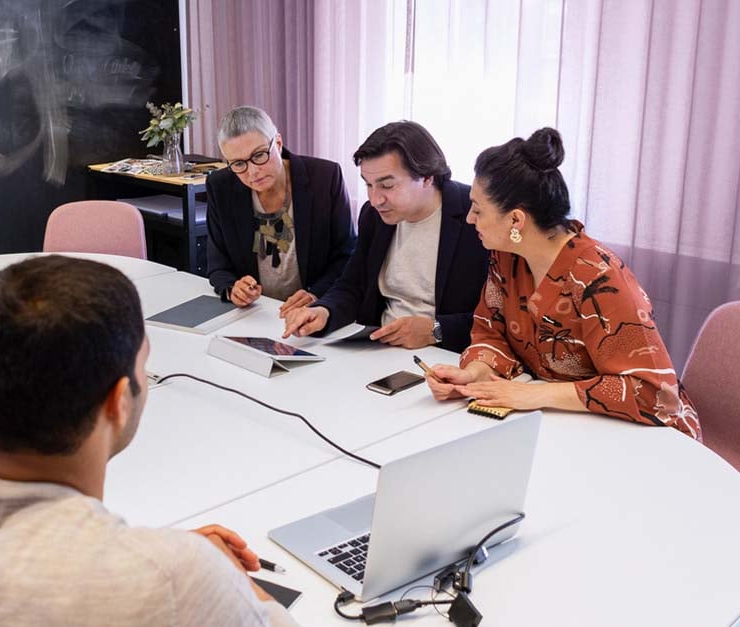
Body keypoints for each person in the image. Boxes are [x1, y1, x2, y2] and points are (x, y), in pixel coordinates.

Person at [0, 256, 299, 627]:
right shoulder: (179, 579)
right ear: (118, 401)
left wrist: (159, 563)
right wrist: (204, 573)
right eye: (144, 366)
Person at [425, 128, 700, 439]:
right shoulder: (506, 258)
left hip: (643, 434)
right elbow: (491, 332)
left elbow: (652, 393)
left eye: (477, 209)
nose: (470, 219)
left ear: (516, 220)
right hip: (559, 425)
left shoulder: (598, 276)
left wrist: (534, 395)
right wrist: (474, 375)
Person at [282, 121, 490, 351]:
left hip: (448, 355)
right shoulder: (374, 216)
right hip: (380, 349)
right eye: (368, 185)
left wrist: (436, 330)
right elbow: (353, 284)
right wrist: (324, 311)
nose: (375, 200)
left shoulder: (475, 217)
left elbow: (498, 319)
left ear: (427, 177)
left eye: (387, 185)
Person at [206, 105, 355, 313]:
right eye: (238, 164)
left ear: (277, 143)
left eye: (259, 155)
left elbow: (347, 255)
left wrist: (316, 294)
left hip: (313, 309)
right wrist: (233, 288)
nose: (253, 172)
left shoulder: (324, 177)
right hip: (255, 312)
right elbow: (217, 265)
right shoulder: (220, 186)